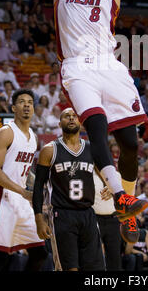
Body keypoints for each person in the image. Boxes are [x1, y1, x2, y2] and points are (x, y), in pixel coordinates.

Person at [47, 0, 148, 242]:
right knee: (98, 128)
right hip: (77, 67)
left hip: (110, 66)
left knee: (132, 145)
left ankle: (128, 203)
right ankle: (120, 199)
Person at [0, 89, 47, 271]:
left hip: (21, 200)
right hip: (0, 198)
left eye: (30, 102)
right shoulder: (6, 132)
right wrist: (23, 191)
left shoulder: (33, 137)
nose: (26, 105)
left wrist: (38, 186)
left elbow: (24, 171)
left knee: (40, 253)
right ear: (14, 108)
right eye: (21, 102)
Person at [32, 108, 105, 271]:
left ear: (80, 123)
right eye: (67, 116)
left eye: (74, 116)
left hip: (88, 213)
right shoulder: (50, 150)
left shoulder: (91, 148)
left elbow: (105, 173)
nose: (71, 118)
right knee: (69, 268)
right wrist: (39, 218)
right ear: (59, 123)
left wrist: (109, 186)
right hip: (62, 215)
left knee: (94, 269)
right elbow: (38, 187)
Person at [93, 169, 123, 270]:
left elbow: (124, 195)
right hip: (95, 219)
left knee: (114, 255)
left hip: (114, 219)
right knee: (95, 255)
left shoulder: (116, 175)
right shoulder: (88, 173)